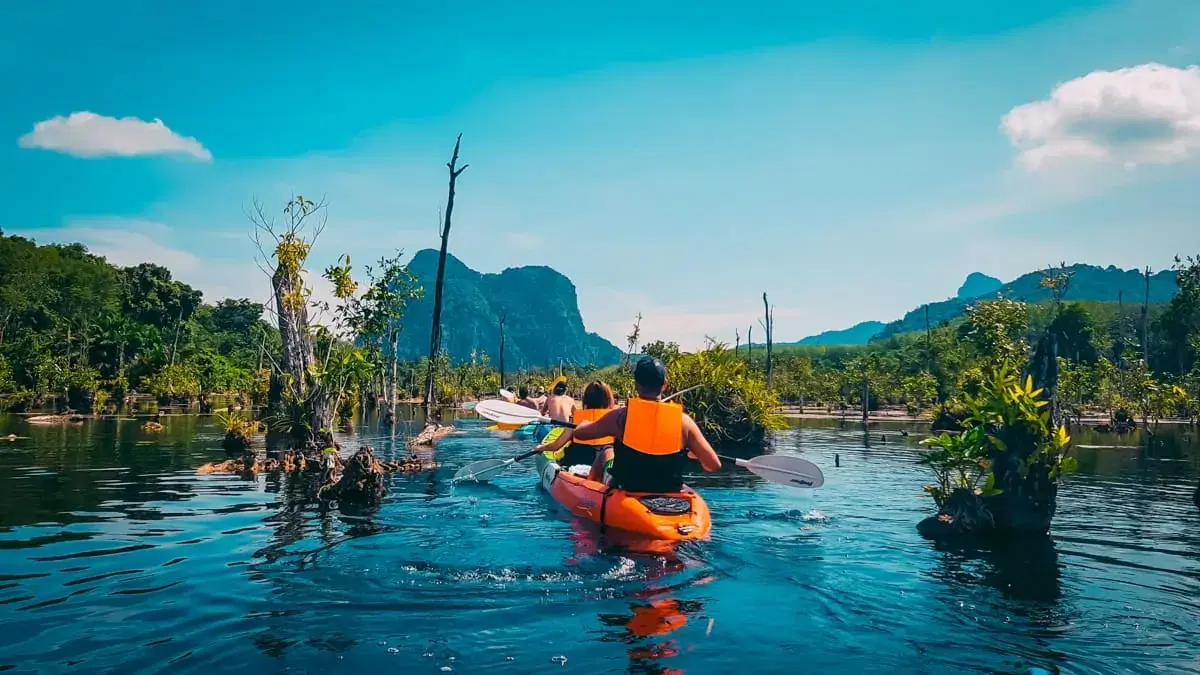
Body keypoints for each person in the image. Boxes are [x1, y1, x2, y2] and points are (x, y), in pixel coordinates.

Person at [574, 356, 721, 491]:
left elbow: (580, 434)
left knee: (606, 451)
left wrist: (584, 423)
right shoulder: (684, 422)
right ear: (664, 385)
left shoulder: (620, 417)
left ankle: (590, 492)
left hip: (626, 487)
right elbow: (713, 465)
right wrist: (693, 452)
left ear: (637, 384)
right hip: (669, 489)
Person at [535, 381, 616, 469]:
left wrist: (541, 447)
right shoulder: (616, 419)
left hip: (579, 463)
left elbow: (556, 445)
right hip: (605, 463)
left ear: (586, 400)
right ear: (608, 400)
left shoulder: (576, 420)